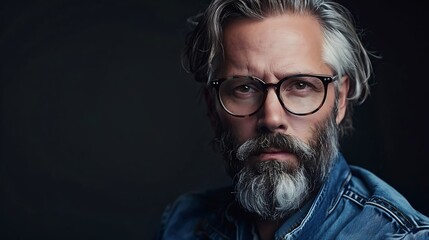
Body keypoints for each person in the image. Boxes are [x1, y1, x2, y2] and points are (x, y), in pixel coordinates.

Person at [155, 0, 429, 239]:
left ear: (340, 99)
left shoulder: (400, 236)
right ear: (213, 107)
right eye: (245, 88)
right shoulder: (183, 223)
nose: (272, 118)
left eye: (300, 86)